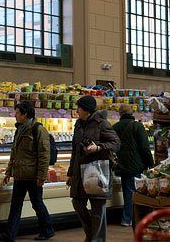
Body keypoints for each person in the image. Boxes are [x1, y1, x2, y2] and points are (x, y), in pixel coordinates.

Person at [0, 101, 55, 242]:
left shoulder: (38, 130)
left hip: (33, 176)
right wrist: (9, 171)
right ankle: (10, 235)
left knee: (37, 203)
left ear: (25, 114)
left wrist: (41, 175)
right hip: (20, 174)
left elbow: (44, 154)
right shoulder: (19, 129)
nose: (14, 115)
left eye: (17, 112)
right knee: (15, 205)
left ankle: (47, 229)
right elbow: (14, 153)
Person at [67, 96, 120, 242]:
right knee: (77, 202)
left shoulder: (102, 124)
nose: (76, 110)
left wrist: (98, 147)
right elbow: (75, 150)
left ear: (87, 110)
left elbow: (116, 143)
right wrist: (70, 173)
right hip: (79, 171)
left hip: (97, 171)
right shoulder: (78, 125)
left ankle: (97, 239)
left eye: (79, 108)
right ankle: (91, 233)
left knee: (97, 208)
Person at [113, 104, 154, 227]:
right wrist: (150, 163)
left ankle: (128, 218)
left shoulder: (114, 127)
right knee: (132, 192)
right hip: (135, 164)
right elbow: (144, 147)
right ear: (131, 113)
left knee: (127, 190)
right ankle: (128, 219)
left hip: (121, 164)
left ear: (120, 114)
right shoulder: (137, 126)